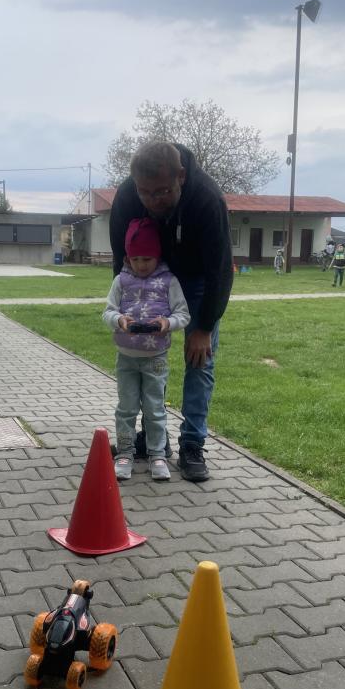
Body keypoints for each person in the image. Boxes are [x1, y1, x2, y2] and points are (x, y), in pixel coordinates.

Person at [109, 141, 233, 482]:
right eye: (145, 192)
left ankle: (192, 444)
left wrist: (203, 327)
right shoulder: (127, 196)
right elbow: (121, 261)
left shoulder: (207, 198)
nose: (152, 201)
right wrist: (125, 307)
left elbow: (220, 270)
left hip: (197, 280)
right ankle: (153, 440)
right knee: (148, 358)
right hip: (148, 278)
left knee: (200, 360)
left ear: (180, 176)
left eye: (162, 192)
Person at [103, 217, 190, 482]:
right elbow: (107, 312)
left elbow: (183, 314)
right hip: (126, 358)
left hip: (156, 359)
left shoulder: (169, 281)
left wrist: (167, 323)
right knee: (126, 408)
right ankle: (125, 453)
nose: (141, 265)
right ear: (128, 258)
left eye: (147, 259)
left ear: (158, 256)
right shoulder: (121, 281)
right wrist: (119, 320)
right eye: (136, 259)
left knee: (155, 409)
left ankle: (157, 455)